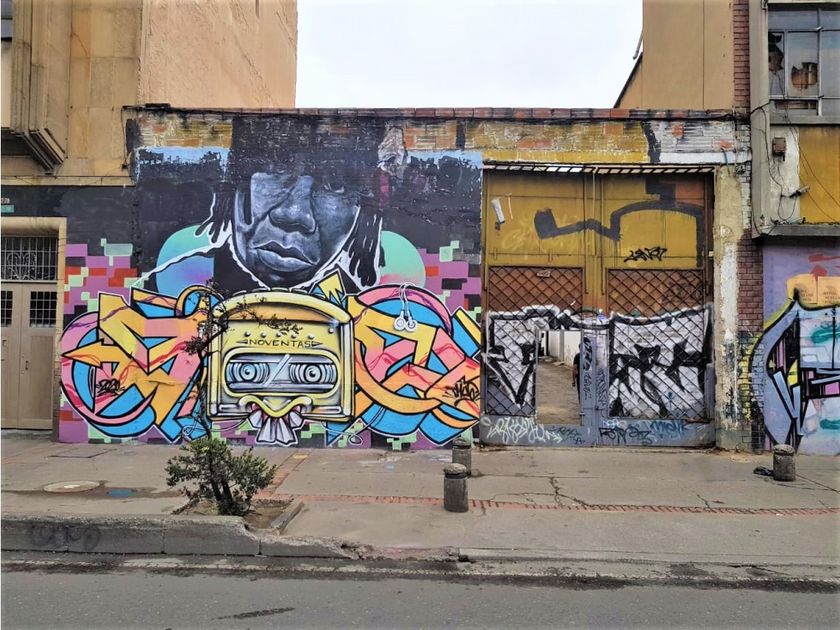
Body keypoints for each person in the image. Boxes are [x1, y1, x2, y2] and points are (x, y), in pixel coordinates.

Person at [145, 116, 394, 295]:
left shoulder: (373, 314)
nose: (294, 214)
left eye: (335, 185)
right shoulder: (165, 288)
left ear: (363, 212)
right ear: (234, 187)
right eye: (276, 167)